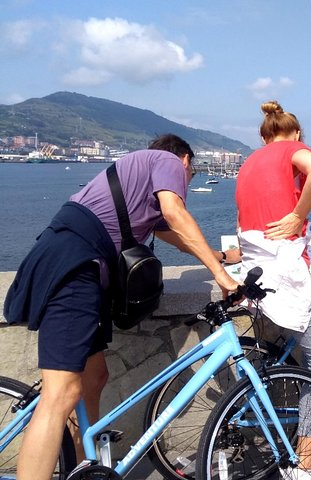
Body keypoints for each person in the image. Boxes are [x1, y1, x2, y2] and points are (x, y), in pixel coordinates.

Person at [3, 134, 241, 480]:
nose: (186, 181)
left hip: (83, 269)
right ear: (185, 160)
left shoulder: (139, 175)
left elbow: (170, 232)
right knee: (62, 393)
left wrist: (218, 257)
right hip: (74, 266)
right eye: (191, 174)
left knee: (94, 378)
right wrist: (221, 276)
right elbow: (175, 213)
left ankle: (82, 468)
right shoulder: (168, 161)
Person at [234, 101, 311, 480]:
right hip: (287, 272)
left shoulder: (247, 164)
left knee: (286, 354)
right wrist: (298, 215)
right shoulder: (294, 148)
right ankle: (304, 462)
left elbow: (249, 225)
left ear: (263, 136)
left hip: (256, 270)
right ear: (295, 134)